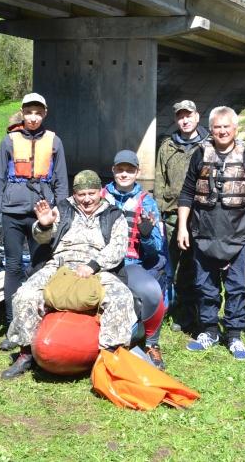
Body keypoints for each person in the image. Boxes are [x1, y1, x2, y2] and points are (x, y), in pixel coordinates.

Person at [0, 170, 136, 380]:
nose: (87, 199)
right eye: (82, 194)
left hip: (97, 267)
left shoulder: (113, 214)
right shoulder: (63, 209)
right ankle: (26, 353)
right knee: (24, 294)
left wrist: (93, 265)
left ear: (100, 191)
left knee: (122, 298)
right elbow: (43, 239)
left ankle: (108, 357)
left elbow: (118, 248)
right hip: (60, 264)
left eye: (91, 193)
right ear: (75, 194)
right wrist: (43, 225)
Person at [176, 106, 245, 360]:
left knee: (237, 287)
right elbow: (186, 193)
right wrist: (182, 226)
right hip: (203, 233)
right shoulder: (199, 155)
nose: (222, 131)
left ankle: (234, 335)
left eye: (227, 126)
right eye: (217, 127)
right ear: (211, 129)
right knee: (205, 286)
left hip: (236, 237)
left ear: (235, 129)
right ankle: (209, 330)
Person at [0, 92, 69, 349]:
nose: (33, 117)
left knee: (40, 266)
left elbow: (61, 182)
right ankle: (13, 325)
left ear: (44, 113)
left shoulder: (55, 142)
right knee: (12, 267)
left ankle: (37, 321)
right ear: (22, 113)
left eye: (38, 112)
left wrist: (61, 213)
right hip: (12, 212)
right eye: (28, 112)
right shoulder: (8, 141)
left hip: (41, 214)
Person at [104, 149, 168, 369]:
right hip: (102, 262)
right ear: (113, 171)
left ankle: (152, 343)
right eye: (120, 169)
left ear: (137, 172)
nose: (124, 174)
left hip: (131, 263)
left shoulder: (147, 202)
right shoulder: (100, 197)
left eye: (129, 170)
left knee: (152, 292)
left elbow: (156, 249)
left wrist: (147, 234)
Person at [154, 99, 208, 333]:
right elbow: (159, 181)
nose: (184, 120)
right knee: (166, 265)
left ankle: (190, 314)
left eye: (189, 115)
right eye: (180, 116)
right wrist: (157, 214)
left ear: (197, 117)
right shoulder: (166, 146)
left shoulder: (209, 145)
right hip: (170, 216)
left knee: (193, 267)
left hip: (200, 216)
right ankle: (161, 310)